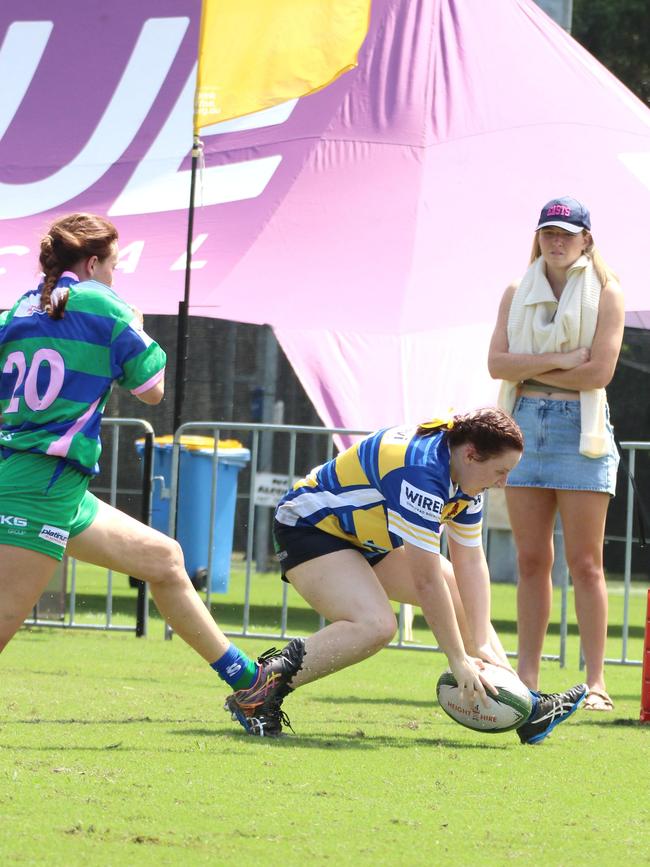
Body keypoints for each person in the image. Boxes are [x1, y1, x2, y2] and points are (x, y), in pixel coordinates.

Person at [0, 213, 263, 699]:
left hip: (46, 480)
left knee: (164, 559)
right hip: (42, 485)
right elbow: (152, 391)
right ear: (94, 261)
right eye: (114, 265)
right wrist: (136, 324)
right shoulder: (103, 303)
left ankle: (250, 684)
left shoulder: (18, 308)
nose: (114, 276)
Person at [223, 409, 587, 741]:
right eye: (500, 472)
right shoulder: (421, 471)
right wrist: (458, 659)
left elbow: (471, 563)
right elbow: (425, 579)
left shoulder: (465, 473)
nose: (503, 484)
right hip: (309, 527)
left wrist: (479, 645)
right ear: (472, 454)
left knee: (458, 593)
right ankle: (258, 692)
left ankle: (528, 708)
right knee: (376, 624)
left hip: (365, 535)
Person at [487, 196, 624, 712]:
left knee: (586, 563)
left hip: (579, 428)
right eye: (549, 232)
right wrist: (560, 360)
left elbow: (599, 374)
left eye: (567, 233)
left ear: (586, 238)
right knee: (530, 560)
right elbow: (496, 362)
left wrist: (527, 368)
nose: (557, 241)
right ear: (538, 237)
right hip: (522, 427)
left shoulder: (608, 292)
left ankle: (595, 681)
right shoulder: (513, 292)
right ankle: (526, 676)